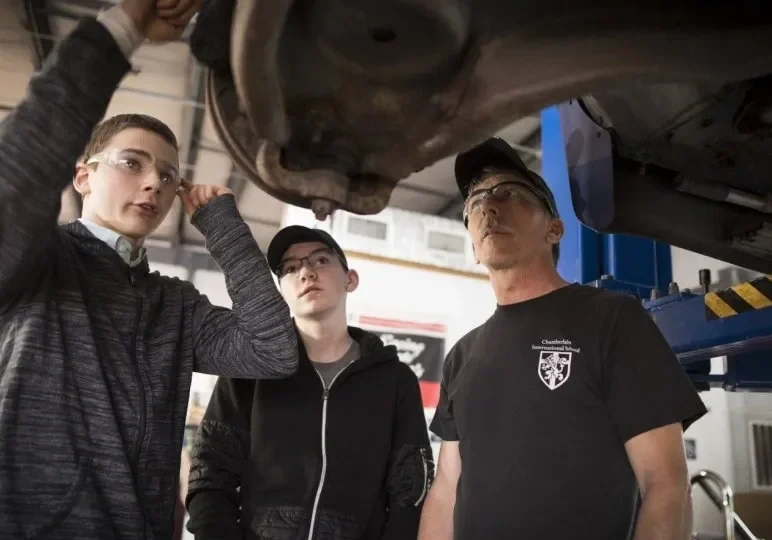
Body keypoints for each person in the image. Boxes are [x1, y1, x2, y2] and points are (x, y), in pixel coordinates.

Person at [0, 1, 298, 538]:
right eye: (132, 163)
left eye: (167, 175)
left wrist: (225, 230)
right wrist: (120, 30)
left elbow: (272, 350)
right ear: (83, 176)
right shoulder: (36, 261)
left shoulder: (176, 305)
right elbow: (20, 171)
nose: (153, 184)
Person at [417, 137, 708, 540]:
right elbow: (446, 490)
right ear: (473, 249)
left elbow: (666, 483)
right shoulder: (462, 356)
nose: (489, 207)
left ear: (554, 229)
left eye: (508, 193)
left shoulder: (612, 319)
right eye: (475, 203)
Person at [185, 225, 435, 540]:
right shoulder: (250, 370)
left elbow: (409, 491)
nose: (306, 272)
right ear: (281, 290)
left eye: (320, 261)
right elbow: (210, 474)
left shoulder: (395, 380)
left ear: (350, 279)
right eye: (291, 268)